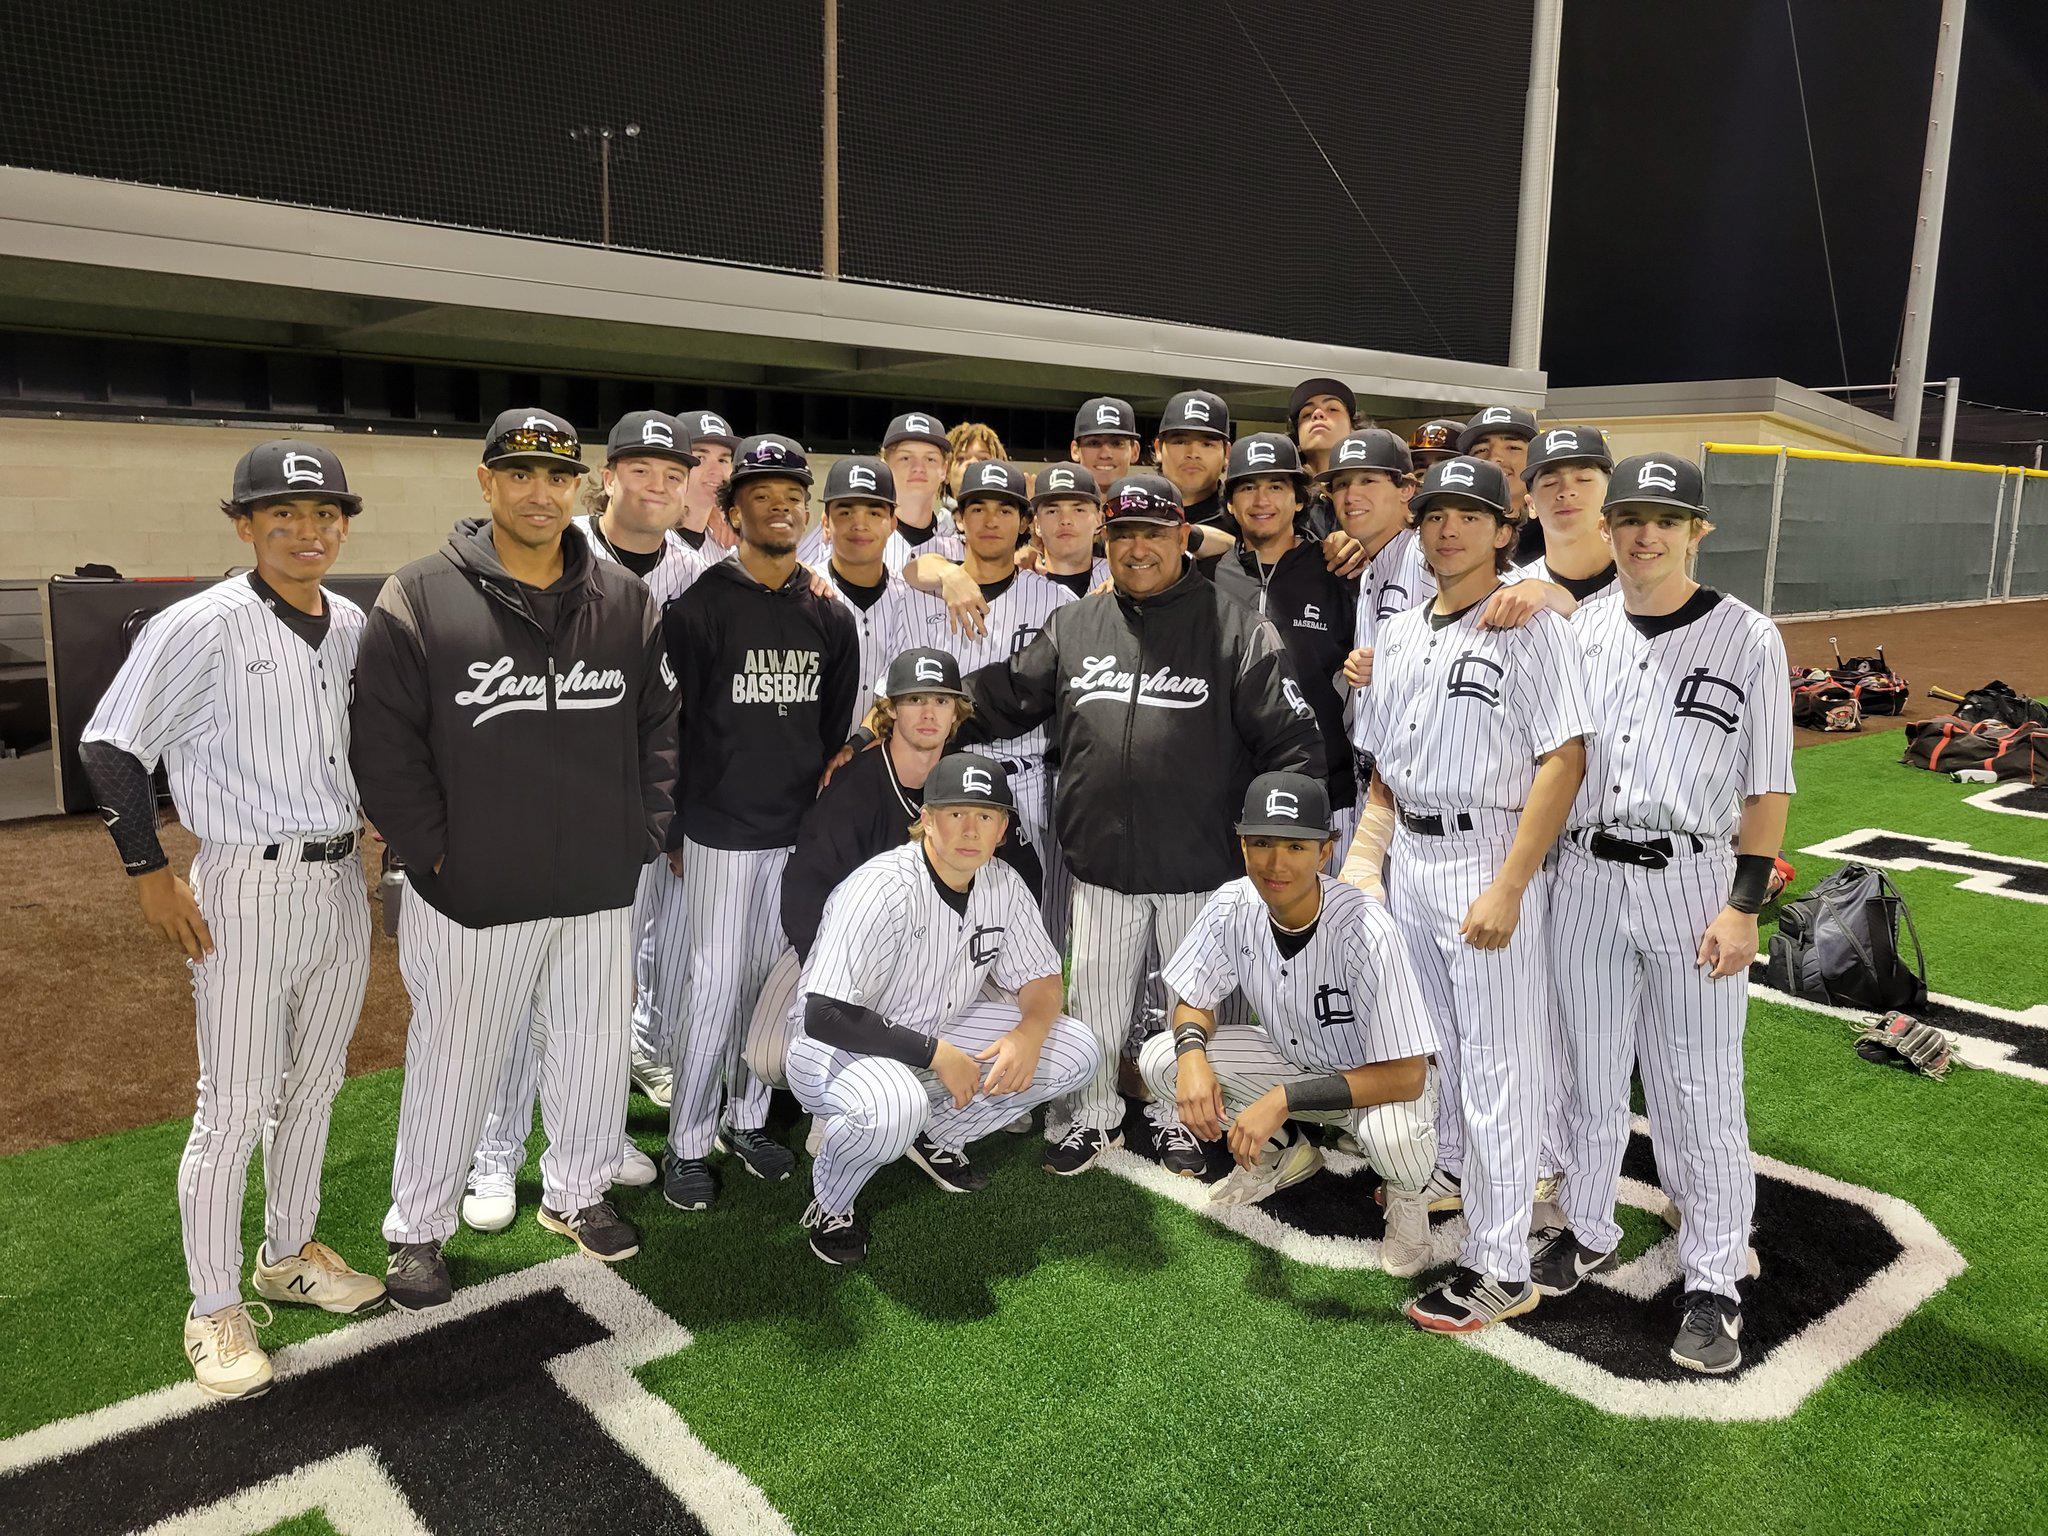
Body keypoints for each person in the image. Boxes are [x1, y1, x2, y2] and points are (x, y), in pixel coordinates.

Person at [79, 439, 384, 1399]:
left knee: (317, 1085)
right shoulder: (200, 623)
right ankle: (213, 1304)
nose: (307, 530)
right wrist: (149, 872)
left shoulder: (353, 624)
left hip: (341, 879)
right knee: (236, 1104)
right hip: (245, 887)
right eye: (284, 515)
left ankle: (287, 1254)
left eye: (325, 514)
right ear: (244, 524)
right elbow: (110, 747)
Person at [353, 408, 677, 1309]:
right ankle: (417, 1229)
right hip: (471, 891)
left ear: (580, 486)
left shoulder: (626, 600)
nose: (541, 492)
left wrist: (643, 833)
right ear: (486, 482)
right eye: (520, 473)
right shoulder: (420, 594)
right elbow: (383, 748)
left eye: (557, 475)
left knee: (590, 1049)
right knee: (455, 1058)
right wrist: (435, 857)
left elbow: (659, 729)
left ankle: (577, 1192)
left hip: (596, 881)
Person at [960, 473, 1326, 1175]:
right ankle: (1089, 1117)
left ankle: (1179, 1119)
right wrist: (935, 705)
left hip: (1200, 862)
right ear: (1108, 542)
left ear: (1182, 538)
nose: (1136, 548)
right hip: (1101, 865)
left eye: (1153, 533)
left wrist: (1277, 846)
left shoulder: (1234, 627)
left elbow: (1293, 743)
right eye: (1123, 534)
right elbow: (1008, 695)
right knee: (1094, 1006)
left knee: (1189, 1013)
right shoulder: (1077, 623)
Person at [1536, 453, 1794, 1376]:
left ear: (1697, 533)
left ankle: (1715, 1280)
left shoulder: (1748, 636)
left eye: (1666, 519)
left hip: (1695, 884)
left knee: (1698, 1091)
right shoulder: (1582, 631)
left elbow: (1769, 792)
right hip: (1588, 879)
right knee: (1588, 1074)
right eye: (1632, 517)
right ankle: (1590, 1226)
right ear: (1608, 527)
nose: (1646, 534)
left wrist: (1742, 907)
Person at [1344, 453, 1592, 1335]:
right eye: (1436, 514)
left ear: (1502, 530)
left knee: (1497, 1067)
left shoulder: (1531, 627)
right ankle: (1452, 1172)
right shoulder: (1403, 633)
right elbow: (1380, 768)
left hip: (1486, 853)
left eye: (1470, 515)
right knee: (1438, 1046)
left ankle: (1500, 1264)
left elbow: (1564, 760)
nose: (1449, 528)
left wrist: (1512, 884)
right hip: (1412, 854)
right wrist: (1367, 865)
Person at [456, 410, 699, 1233]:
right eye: (642, 469)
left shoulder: (693, 568)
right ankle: (493, 1156)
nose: (658, 485)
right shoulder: (558, 546)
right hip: (527, 818)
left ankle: (589, 1144)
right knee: (516, 1001)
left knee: (599, 1001)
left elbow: (666, 716)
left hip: (617, 825)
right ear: (607, 475)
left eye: (674, 472)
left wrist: (654, 823)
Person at [786, 754, 1100, 1265]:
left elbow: (1042, 980)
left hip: (934, 1031)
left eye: (985, 816)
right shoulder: (882, 887)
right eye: (955, 813)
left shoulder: (1001, 883)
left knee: (1074, 1048)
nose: (970, 828)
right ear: (927, 818)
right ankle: (832, 1203)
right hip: (834, 1048)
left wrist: (1028, 1033)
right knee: (894, 1106)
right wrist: (937, 1055)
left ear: (1002, 829)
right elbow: (825, 1014)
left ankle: (937, 1135)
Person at [656, 434, 860, 1212]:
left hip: (794, 831)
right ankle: (686, 1138)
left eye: (791, 497)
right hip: (718, 830)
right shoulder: (700, 606)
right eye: (762, 496)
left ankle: (745, 1120)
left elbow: (831, 730)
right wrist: (675, 830)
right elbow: (673, 729)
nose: (779, 507)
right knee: (712, 986)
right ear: (731, 511)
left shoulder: (828, 615)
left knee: (772, 987)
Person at [1138, 773, 1439, 1275]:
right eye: (1262, 843)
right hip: (1289, 1060)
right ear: (1243, 845)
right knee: (1162, 1059)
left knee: (1396, 1135)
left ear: (1325, 853)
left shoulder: (1365, 929)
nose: (1276, 863)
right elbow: (1191, 1003)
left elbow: (1409, 1075)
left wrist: (1283, 1100)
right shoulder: (1235, 903)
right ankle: (1282, 1153)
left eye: (1296, 846)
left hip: (1370, 1086)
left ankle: (1408, 1204)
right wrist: (1192, 1057)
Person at [741, 647, 1041, 1100]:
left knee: (1021, 1011)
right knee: (770, 1056)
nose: (928, 713)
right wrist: (840, 982)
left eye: (940, 701)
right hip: (849, 953)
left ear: (956, 712)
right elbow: (805, 896)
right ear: (891, 709)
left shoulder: (969, 783)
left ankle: (938, 1110)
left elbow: (1024, 879)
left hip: (947, 955)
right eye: (914, 699)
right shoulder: (853, 787)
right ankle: (867, 1089)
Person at [906, 460, 1076, 928]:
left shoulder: (1057, 603)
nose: (990, 520)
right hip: (942, 778)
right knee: (940, 924)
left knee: (1035, 927)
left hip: (1028, 781)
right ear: (958, 518)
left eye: (1005, 510)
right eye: (976, 508)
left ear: (1025, 522)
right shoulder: (924, 596)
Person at [1209, 433, 1359, 855]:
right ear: (1231, 504)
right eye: (1248, 487)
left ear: (1298, 501)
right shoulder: (1207, 579)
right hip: (1229, 790)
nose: (1261, 500)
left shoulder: (1339, 572)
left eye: (1276, 486)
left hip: (1324, 786)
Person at [1457, 404, 1540, 558]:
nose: (1494, 457)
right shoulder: (1448, 532)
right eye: (1481, 450)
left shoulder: (1555, 530)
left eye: (1513, 447)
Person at [1153, 389, 1231, 527]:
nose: (1193, 453)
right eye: (1180, 442)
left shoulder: (1243, 521)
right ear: (1158, 449)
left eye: (1207, 444)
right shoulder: (1131, 512)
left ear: (1227, 453)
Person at [674, 408, 740, 551]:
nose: (715, 471)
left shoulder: (730, 549)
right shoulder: (647, 541)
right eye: (700, 458)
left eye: (723, 460)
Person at [1071, 396, 1145, 495]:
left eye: (1117, 443)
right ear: (1075, 451)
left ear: (1134, 451)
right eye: (1094, 443)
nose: (1105, 454)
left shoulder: (1150, 510)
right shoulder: (1051, 507)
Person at [944, 420, 1005, 512]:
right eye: (961, 458)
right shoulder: (931, 524)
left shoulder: (1014, 523)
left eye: (983, 459)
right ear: (946, 472)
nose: (972, 463)